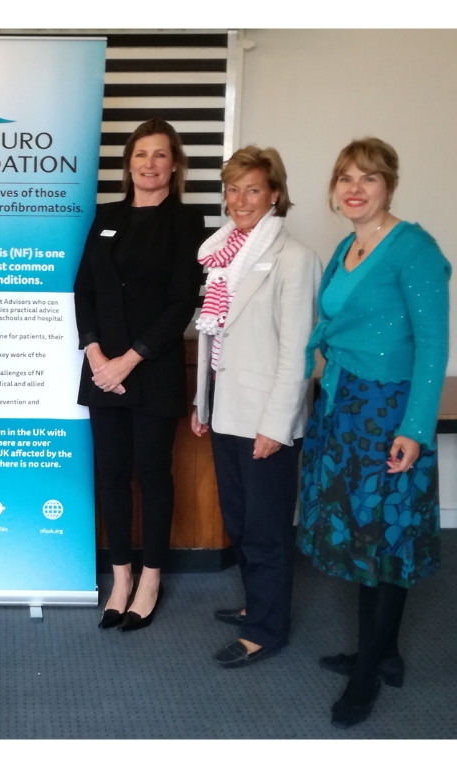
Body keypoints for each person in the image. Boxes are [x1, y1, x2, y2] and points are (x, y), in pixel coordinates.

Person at [298, 137, 450, 727]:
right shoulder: (349, 246)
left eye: (368, 178)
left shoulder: (413, 248)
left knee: (384, 535)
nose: (355, 189)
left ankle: (367, 672)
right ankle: (383, 652)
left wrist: (415, 428)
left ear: (389, 186)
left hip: (388, 411)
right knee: (368, 530)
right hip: (345, 404)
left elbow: (433, 346)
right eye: (345, 179)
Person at [190, 146, 321, 667]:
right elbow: (214, 337)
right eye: (233, 189)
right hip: (227, 410)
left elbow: (297, 352)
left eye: (253, 190)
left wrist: (277, 425)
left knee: (266, 530)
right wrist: (202, 401)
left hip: (266, 418)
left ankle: (266, 630)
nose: (240, 200)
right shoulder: (223, 253)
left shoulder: (295, 258)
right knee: (240, 522)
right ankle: (256, 604)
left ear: (275, 195)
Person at [73, 118, 205, 631]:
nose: (150, 164)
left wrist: (129, 360)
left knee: (152, 476)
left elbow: (181, 302)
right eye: (141, 154)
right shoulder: (107, 216)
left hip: (152, 369)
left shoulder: (186, 221)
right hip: (101, 368)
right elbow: (84, 289)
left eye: (160, 155)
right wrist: (95, 354)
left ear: (175, 165)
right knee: (110, 474)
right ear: (128, 163)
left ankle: (151, 578)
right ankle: (121, 578)